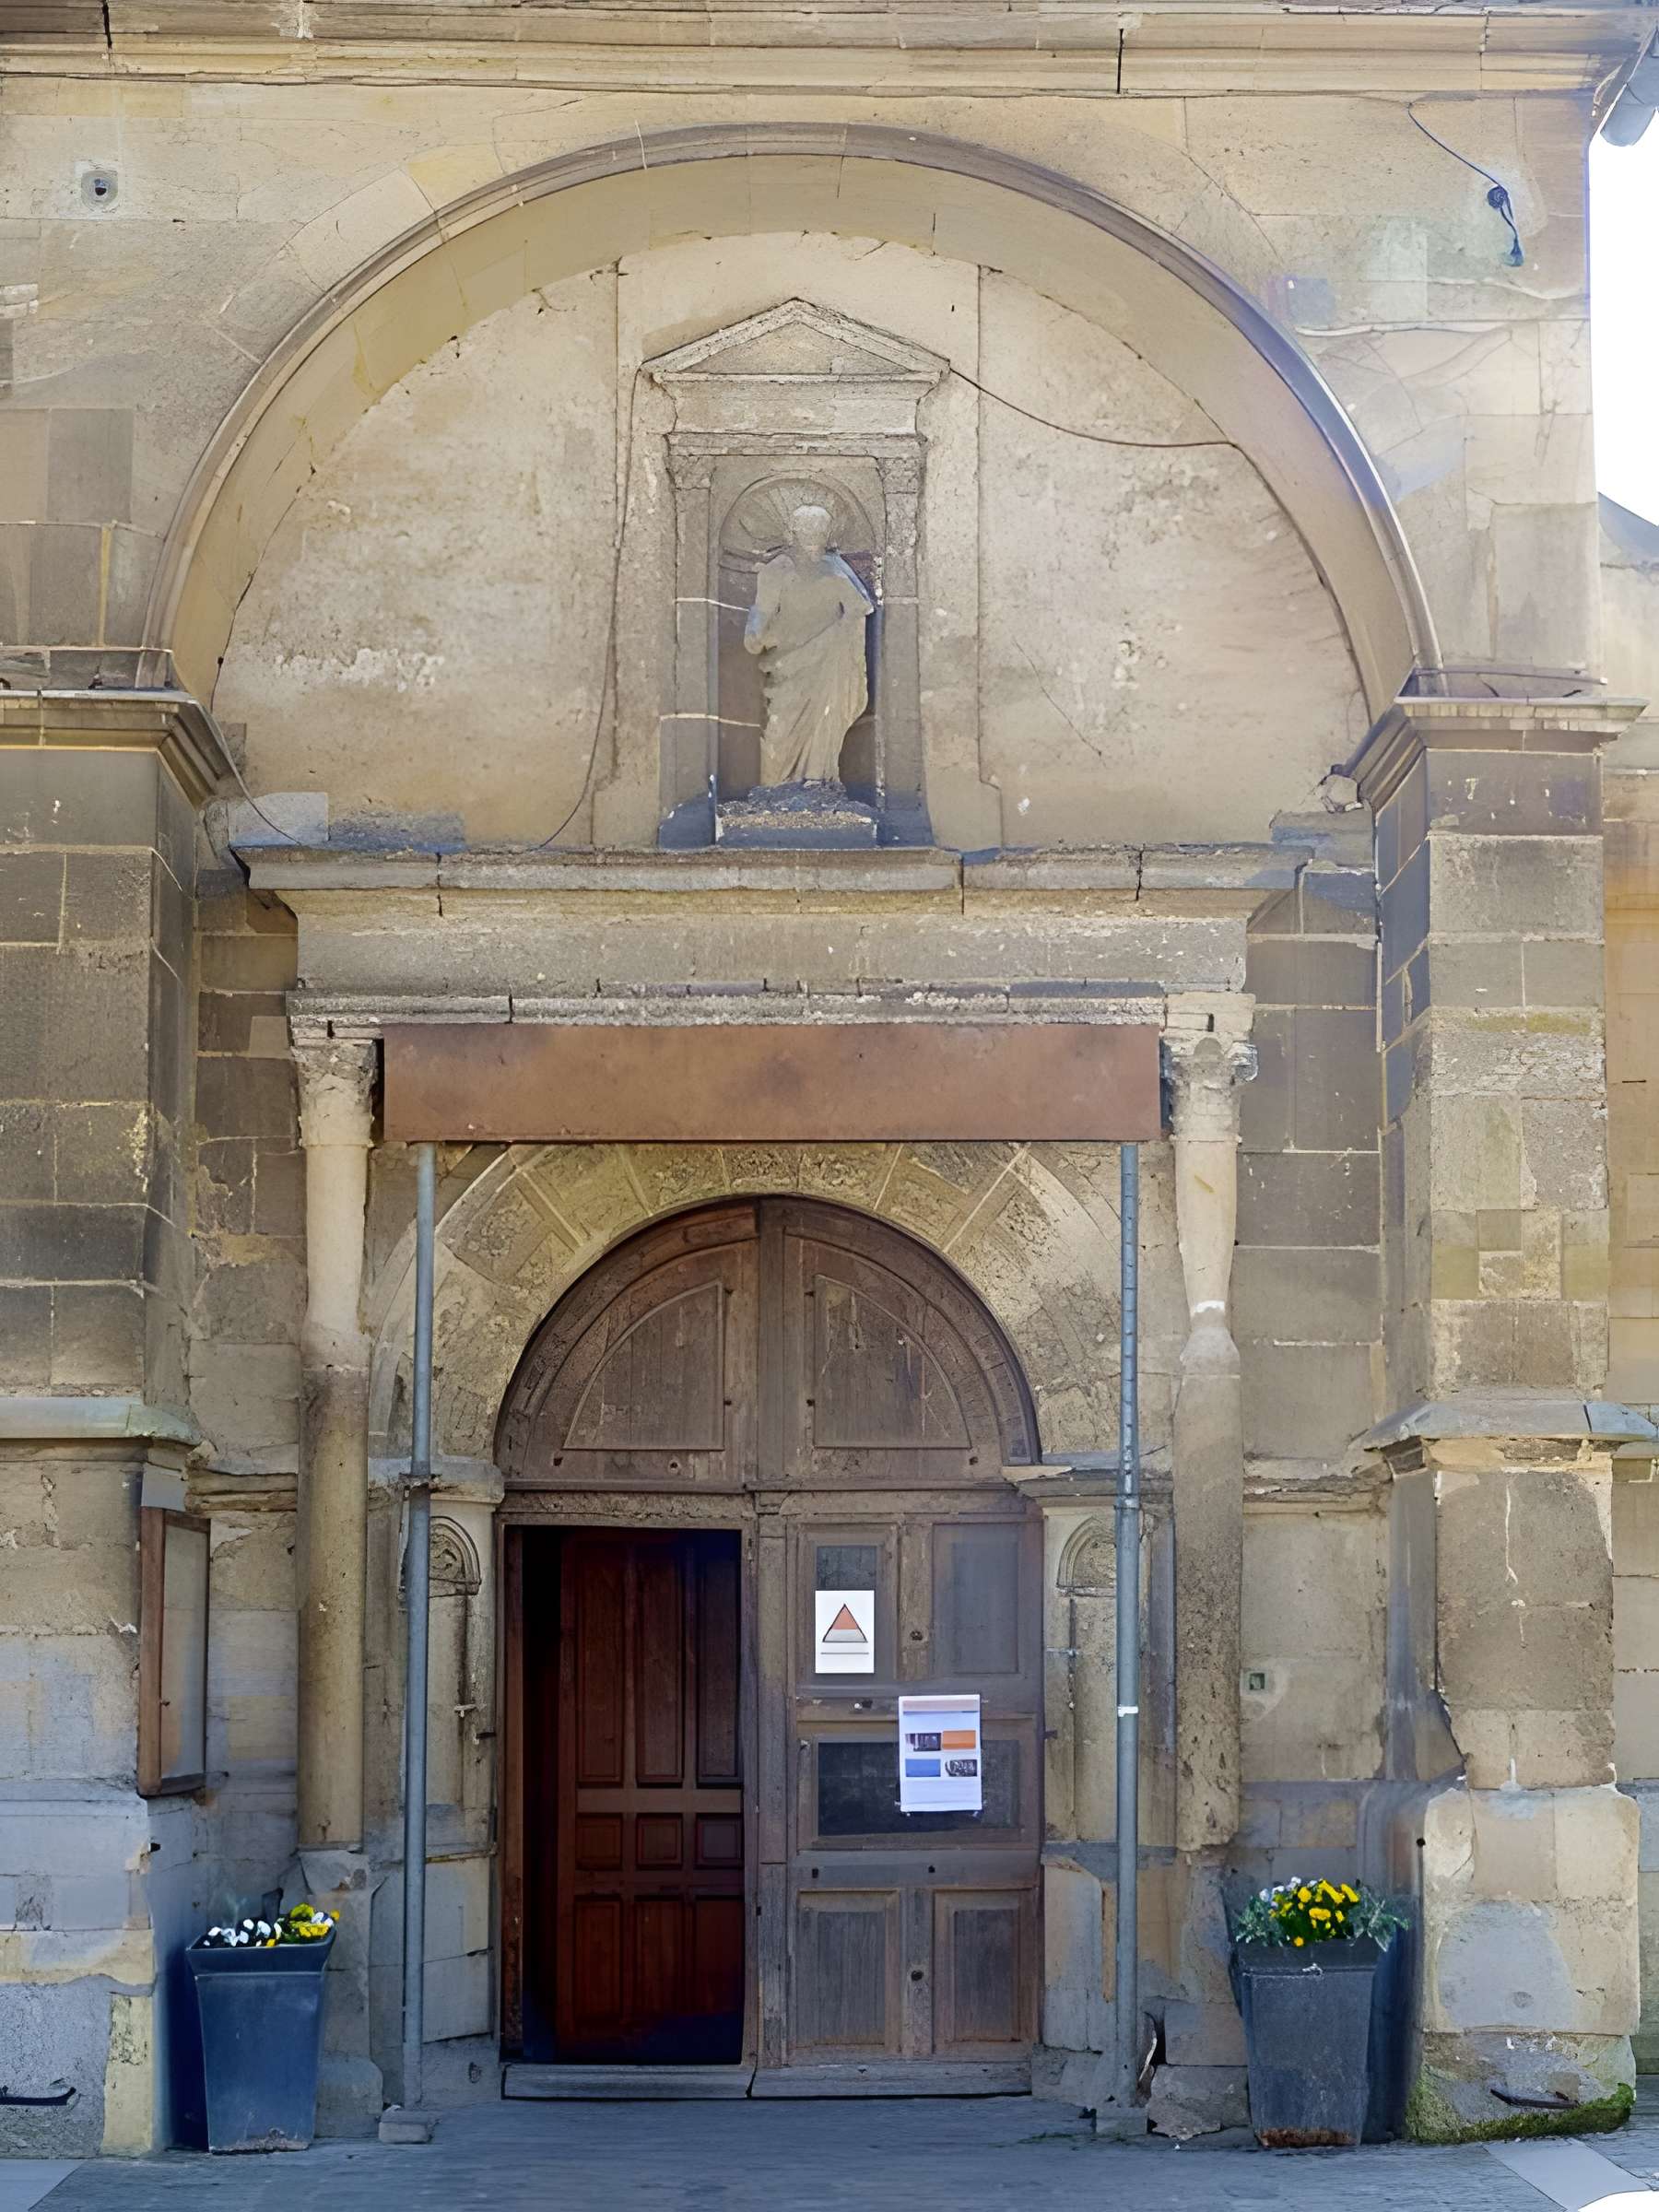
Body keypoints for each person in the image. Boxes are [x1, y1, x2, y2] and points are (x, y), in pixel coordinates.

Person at [742, 503, 875, 786]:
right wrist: (754, 632)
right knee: (777, 729)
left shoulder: (836, 568)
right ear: (793, 531)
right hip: (787, 664)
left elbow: (859, 609)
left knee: (825, 719)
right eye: (807, 527)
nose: (814, 533)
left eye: (820, 527)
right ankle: (774, 789)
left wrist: (838, 640)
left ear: (828, 532)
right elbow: (762, 611)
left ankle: (818, 780)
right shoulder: (778, 568)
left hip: (827, 662)